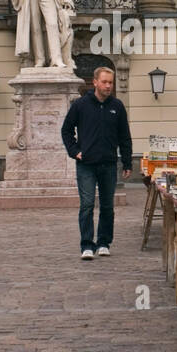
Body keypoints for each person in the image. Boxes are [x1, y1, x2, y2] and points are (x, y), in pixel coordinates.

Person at [61, 67, 132, 261]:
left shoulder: (117, 106)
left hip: (109, 164)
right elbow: (66, 130)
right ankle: (86, 245)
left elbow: (125, 137)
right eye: (105, 82)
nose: (108, 85)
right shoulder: (80, 105)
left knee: (107, 206)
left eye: (111, 82)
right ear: (95, 82)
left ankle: (103, 243)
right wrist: (75, 152)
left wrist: (127, 162)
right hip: (86, 165)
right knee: (87, 204)